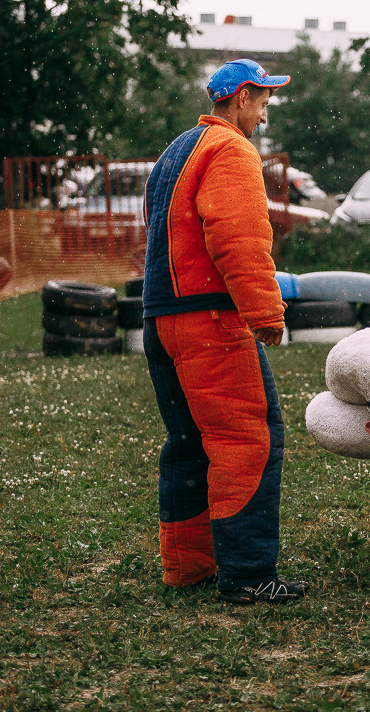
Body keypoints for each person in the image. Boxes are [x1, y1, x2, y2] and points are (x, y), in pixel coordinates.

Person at [140, 59, 306, 605]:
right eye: (261, 102)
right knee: (247, 441)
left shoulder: (174, 153)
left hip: (159, 317)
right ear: (238, 99)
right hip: (209, 320)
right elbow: (238, 239)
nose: (264, 114)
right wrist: (266, 313)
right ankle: (248, 574)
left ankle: (188, 566)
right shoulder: (231, 150)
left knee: (188, 444)